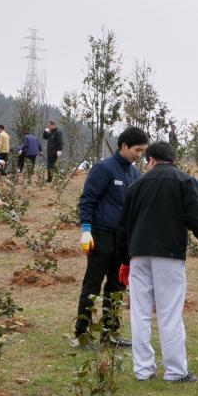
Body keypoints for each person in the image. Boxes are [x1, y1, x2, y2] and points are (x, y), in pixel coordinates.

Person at [123, 141, 198, 383]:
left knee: (140, 313)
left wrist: (124, 258)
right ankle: (176, 371)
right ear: (173, 159)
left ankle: (143, 370)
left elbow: (123, 224)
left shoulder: (136, 184)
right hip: (168, 255)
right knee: (169, 313)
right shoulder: (183, 181)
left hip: (138, 254)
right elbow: (196, 219)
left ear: (150, 159)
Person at [76, 127, 148, 342]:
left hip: (123, 239)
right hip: (101, 234)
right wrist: (86, 230)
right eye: (137, 150)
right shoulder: (103, 169)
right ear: (123, 146)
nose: (140, 154)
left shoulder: (135, 174)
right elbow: (88, 200)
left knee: (118, 285)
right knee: (93, 283)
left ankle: (110, 333)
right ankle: (82, 332)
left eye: (143, 151)